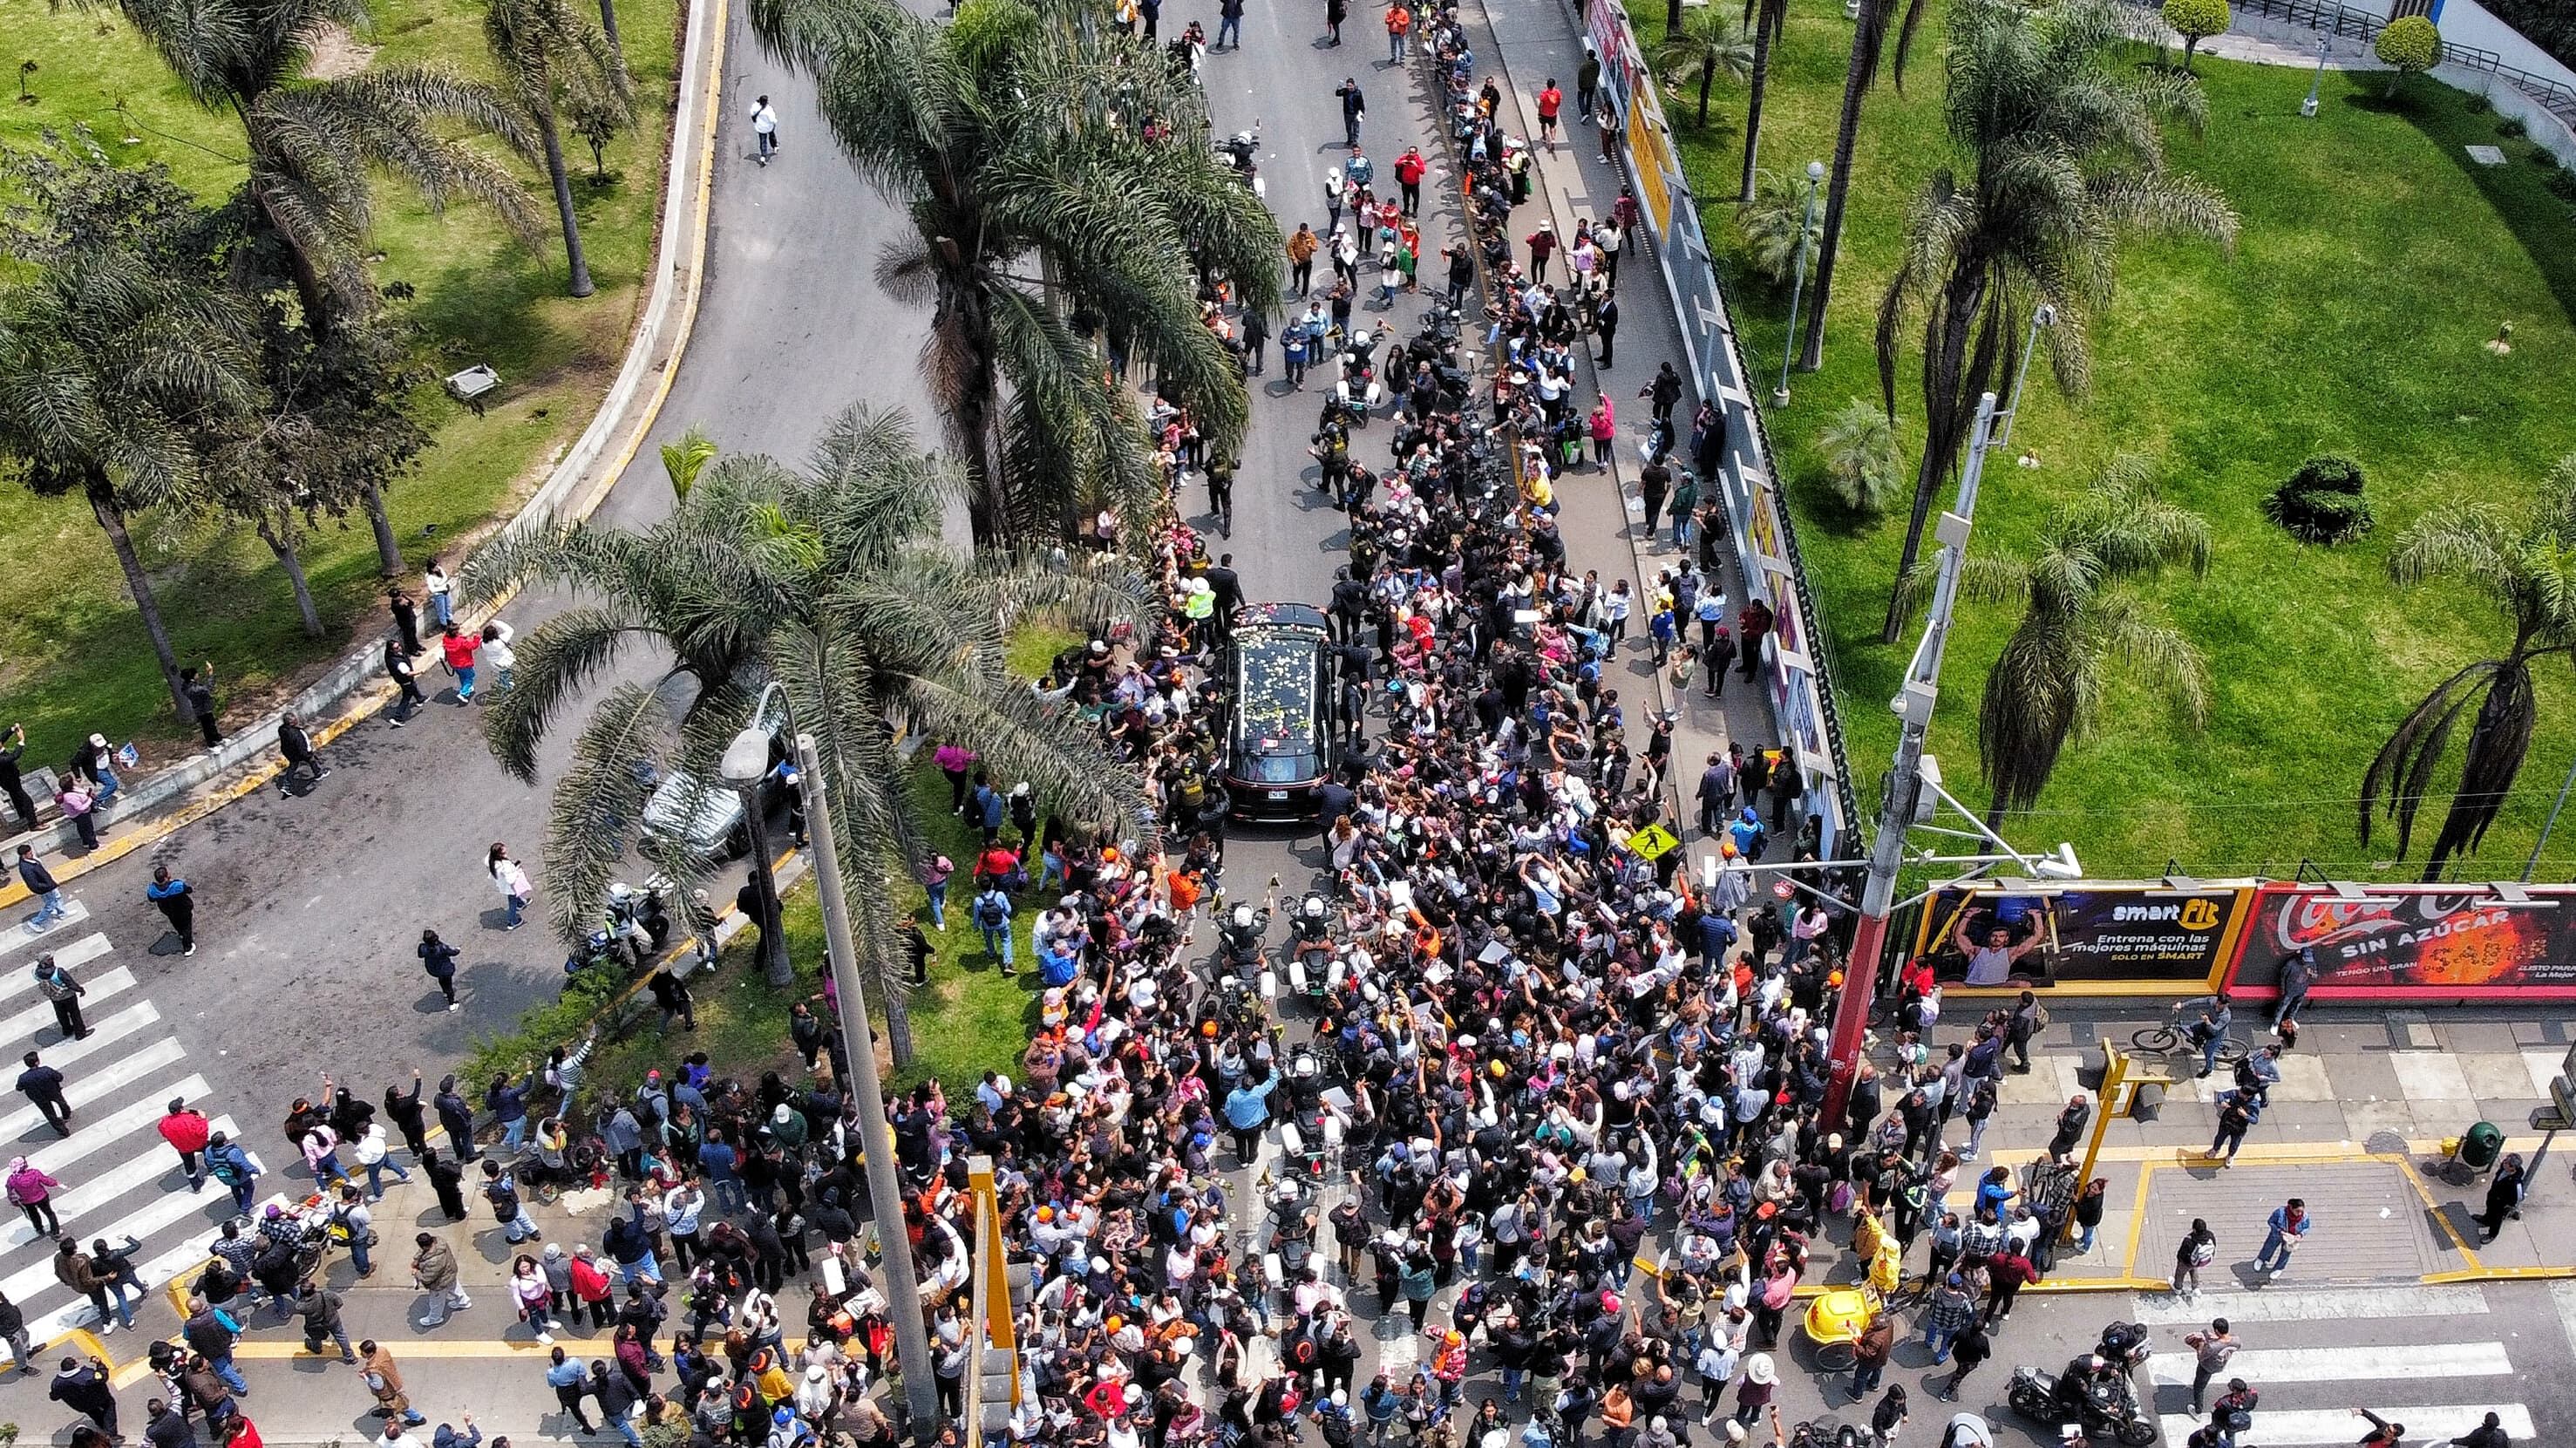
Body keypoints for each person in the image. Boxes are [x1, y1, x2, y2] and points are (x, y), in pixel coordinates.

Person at [361, 1339, 426, 1424]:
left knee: (399, 1405)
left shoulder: (374, 1369)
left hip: (388, 1392)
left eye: (363, 1353)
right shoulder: (382, 1350)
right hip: (394, 1381)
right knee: (398, 1403)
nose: (361, 1354)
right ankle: (385, 1410)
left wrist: (366, 1378)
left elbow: (378, 1385)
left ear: (370, 1353)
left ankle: (417, 1418)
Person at [50, 1355, 119, 1437]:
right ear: (75, 1365)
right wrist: (99, 1364)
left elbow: (54, 1397)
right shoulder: (87, 1375)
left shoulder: (57, 1383)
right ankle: (111, 1433)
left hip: (81, 1405)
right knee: (109, 1406)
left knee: (94, 1413)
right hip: (100, 1398)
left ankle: (103, 1425)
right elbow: (103, 1377)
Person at [413, 1232, 470, 1327]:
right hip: (449, 1272)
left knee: (436, 1302)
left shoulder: (434, 1261)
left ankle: (434, 1318)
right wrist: (417, 1259)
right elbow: (422, 1251)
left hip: (440, 1283)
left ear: (424, 1246)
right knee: (454, 1287)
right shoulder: (440, 1241)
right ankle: (463, 1302)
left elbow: (427, 1278)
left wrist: (416, 1273)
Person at [2184, 1319, 2239, 1415]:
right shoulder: (2236, 1340)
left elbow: (2201, 1357)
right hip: (2220, 1364)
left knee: (2199, 1388)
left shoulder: (2212, 1347)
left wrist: (2201, 1344)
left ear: (2217, 1331)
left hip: (2207, 1367)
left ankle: (2198, 1410)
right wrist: (2216, 1338)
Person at [143, 864, 200, 955]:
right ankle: (188, 947)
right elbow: (189, 890)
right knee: (187, 927)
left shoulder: (153, 890)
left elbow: (151, 899)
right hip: (183, 910)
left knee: (176, 923)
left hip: (168, 912)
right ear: (166, 877)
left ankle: (181, 934)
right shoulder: (177, 886)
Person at [34, 954, 88, 1039]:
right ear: (45, 962)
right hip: (68, 996)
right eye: (50, 959)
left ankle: (67, 1030)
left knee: (61, 1015)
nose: (52, 960)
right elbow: (70, 983)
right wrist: (80, 989)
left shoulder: (38, 973)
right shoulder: (58, 971)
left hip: (55, 998)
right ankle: (80, 1033)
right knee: (74, 1014)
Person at [2477, 1153, 2527, 1243]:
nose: (2504, 1162)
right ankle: (2486, 1220)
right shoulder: (2503, 1168)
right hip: (2493, 1194)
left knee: (2496, 1218)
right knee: (2489, 1207)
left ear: (2512, 1168)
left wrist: (2509, 1206)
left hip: (2501, 1203)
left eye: (2507, 1162)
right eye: (2505, 1160)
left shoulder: (2515, 1183)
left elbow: (2518, 1197)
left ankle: (2492, 1234)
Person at [2255, 1198, 2311, 1276]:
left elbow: (2307, 1227)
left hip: (2291, 1238)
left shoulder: (2305, 1216)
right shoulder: (2280, 1212)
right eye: (2297, 1211)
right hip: (2277, 1234)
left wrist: (2300, 1234)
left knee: (2286, 1253)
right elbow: (2271, 1222)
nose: (2299, 1214)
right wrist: (2279, 1231)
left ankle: (2279, 1268)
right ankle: (2261, 1259)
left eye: (2301, 1211)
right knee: (2269, 1247)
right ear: (2291, 1207)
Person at [17, 1051, 70, 1136]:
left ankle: (63, 1131)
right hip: (53, 1092)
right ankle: (66, 1116)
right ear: (37, 1062)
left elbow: (19, 1088)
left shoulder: (23, 1078)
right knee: (62, 1103)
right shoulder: (46, 1070)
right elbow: (59, 1077)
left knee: (50, 1114)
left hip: (39, 1098)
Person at [276, 711, 330, 792]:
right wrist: (309, 754)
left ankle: (286, 784)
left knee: (293, 765)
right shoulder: (298, 734)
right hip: (299, 753)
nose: (297, 720)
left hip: (288, 752)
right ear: (292, 723)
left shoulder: (281, 729)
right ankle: (318, 774)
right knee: (311, 760)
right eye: (295, 719)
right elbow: (303, 747)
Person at [18, 846, 67, 932]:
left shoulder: (30, 860)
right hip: (45, 889)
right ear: (24, 855)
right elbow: (34, 884)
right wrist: (48, 886)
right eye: (30, 853)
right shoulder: (27, 869)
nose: (32, 854)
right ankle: (35, 922)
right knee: (50, 906)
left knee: (57, 897)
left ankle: (62, 913)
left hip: (48, 884)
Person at [489, 844, 533, 931]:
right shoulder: (504, 866)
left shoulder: (493, 861)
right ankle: (513, 921)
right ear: (499, 855)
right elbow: (511, 880)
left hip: (504, 885)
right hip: (510, 887)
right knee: (512, 902)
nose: (506, 854)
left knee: (514, 896)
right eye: (504, 853)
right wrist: (516, 871)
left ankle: (521, 903)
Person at [385, 636, 427, 724]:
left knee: (413, 686)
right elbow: (408, 673)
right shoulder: (399, 663)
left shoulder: (389, 656)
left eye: (399, 645)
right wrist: (420, 672)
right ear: (392, 650)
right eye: (396, 648)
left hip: (400, 679)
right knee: (406, 697)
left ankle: (420, 698)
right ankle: (398, 717)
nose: (399, 648)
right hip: (405, 680)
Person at [418, 929, 462, 1009]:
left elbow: (420, 955)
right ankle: (452, 1004)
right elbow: (453, 952)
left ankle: (445, 992)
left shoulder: (422, 947)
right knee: (449, 986)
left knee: (441, 980)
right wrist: (458, 950)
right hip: (445, 970)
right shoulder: (441, 948)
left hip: (433, 969)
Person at [439, 622, 481, 705]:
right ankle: (463, 693)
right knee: (470, 677)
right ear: (456, 632)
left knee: (462, 677)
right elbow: (473, 646)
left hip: (454, 664)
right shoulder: (462, 642)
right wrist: (477, 636)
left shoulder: (446, 639)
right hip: (465, 663)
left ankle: (466, 688)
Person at [182, 665, 222, 746]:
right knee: (209, 725)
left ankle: (215, 737)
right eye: (196, 674)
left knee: (206, 725)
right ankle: (212, 740)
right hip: (204, 708)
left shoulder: (186, 687)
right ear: (192, 677)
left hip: (198, 709)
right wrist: (210, 674)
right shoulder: (195, 689)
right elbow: (208, 688)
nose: (198, 675)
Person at [1336, 77, 1366, 148]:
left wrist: (1362, 113)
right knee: (1348, 128)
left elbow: (1361, 103)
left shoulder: (1358, 93)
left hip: (1356, 113)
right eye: (1347, 86)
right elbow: (1338, 94)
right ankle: (1350, 140)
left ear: (1353, 85)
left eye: (1350, 86)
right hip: (1347, 113)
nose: (1349, 87)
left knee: (1356, 128)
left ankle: (1355, 141)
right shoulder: (1345, 91)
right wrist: (1339, 87)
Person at [751, 95, 779, 164]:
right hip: (769, 127)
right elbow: (772, 119)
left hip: (760, 128)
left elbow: (752, 113)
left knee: (763, 141)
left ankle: (763, 157)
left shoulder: (755, 107)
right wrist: (775, 122)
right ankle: (775, 146)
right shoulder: (768, 109)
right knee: (772, 135)